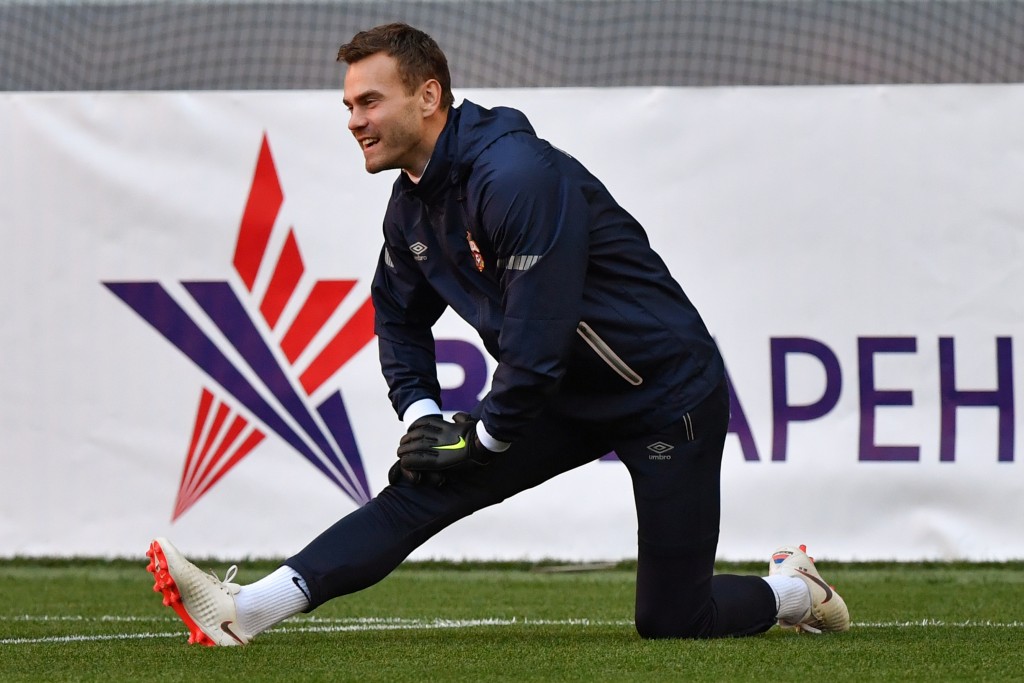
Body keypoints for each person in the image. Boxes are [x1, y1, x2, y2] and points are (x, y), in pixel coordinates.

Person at [145, 22, 849, 646]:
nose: (355, 121)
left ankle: (795, 589)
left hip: (665, 393)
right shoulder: (412, 208)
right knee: (421, 483)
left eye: (370, 101)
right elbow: (396, 315)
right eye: (349, 106)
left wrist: (480, 436)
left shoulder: (516, 176)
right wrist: (422, 414)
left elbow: (536, 340)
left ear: (428, 96)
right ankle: (246, 609)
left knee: (672, 619)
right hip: (560, 392)